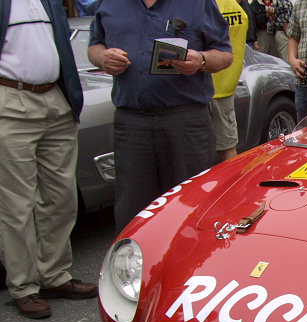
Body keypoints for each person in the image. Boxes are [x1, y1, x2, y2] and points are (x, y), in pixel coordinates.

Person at [88, 0, 233, 235]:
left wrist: (201, 60)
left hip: (185, 121)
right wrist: (103, 57)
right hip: (132, 122)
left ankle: (188, 269)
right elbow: (94, 46)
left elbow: (225, 55)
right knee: (132, 212)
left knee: (190, 207)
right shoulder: (110, 4)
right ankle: (135, 269)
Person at [0, 0, 98, 319]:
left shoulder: (48, 2)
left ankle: (55, 275)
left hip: (55, 99)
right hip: (11, 101)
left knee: (61, 196)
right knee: (16, 204)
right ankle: (24, 286)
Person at [212, 0, 250, 161]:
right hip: (226, 85)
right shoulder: (238, 11)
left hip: (201, 85)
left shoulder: (205, 6)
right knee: (227, 146)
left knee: (195, 150)